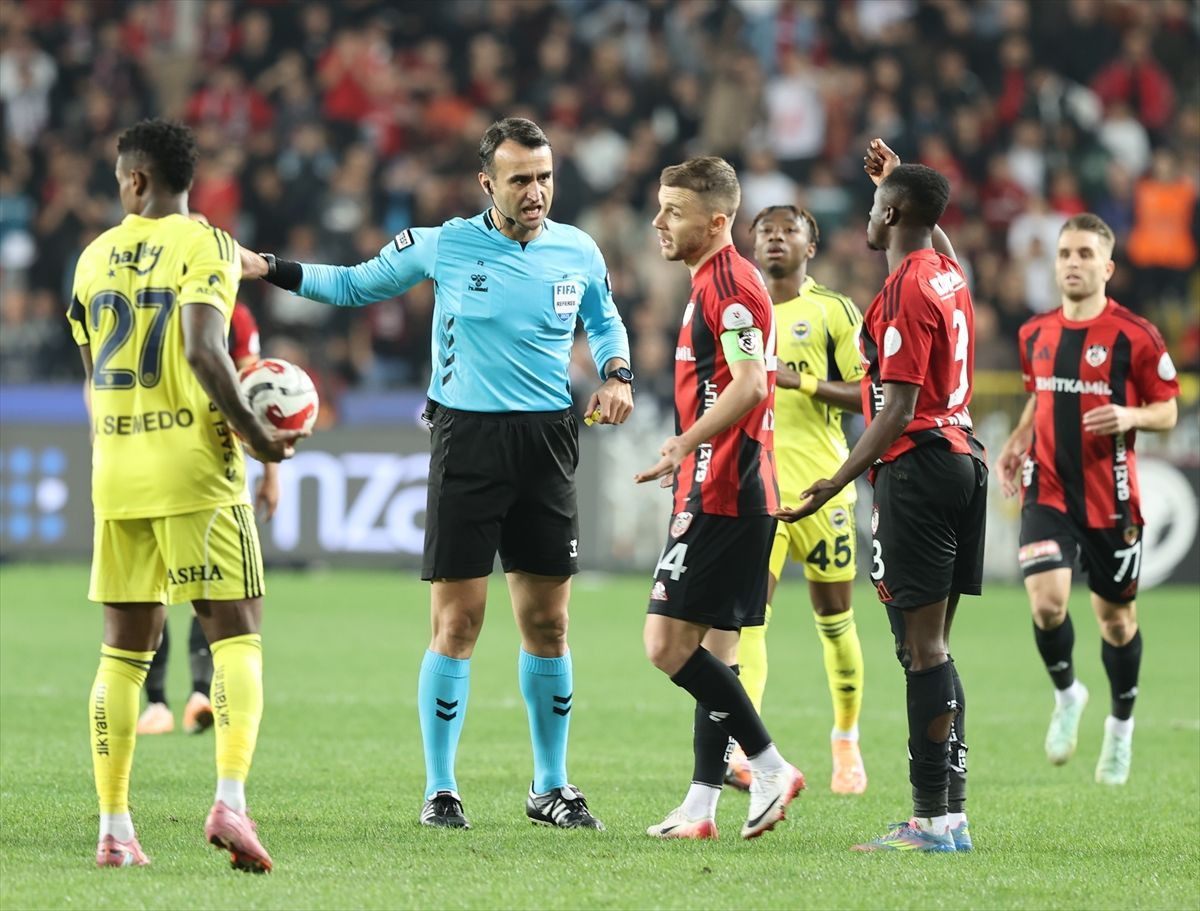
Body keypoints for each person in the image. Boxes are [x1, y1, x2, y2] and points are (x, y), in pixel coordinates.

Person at [240, 117, 633, 830]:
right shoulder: (444, 244)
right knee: (458, 621)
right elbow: (352, 285)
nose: (536, 191)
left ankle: (551, 785)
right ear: (487, 183)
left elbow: (604, 320)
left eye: (544, 177)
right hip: (469, 440)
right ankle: (441, 788)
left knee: (550, 622)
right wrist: (268, 266)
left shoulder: (578, 249)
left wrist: (616, 372)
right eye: (520, 179)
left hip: (548, 442)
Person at [67, 119, 304, 870]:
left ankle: (114, 828)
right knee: (236, 633)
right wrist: (257, 437)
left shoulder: (91, 258)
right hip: (195, 470)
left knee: (122, 653)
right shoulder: (207, 244)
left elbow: (91, 379)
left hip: (116, 471)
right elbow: (205, 348)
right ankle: (230, 800)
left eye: (118, 178)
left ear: (136, 179)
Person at [777, 139, 987, 853]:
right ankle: (950, 816)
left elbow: (894, 408)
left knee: (920, 650)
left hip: (918, 468)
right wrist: (899, 181)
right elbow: (936, 237)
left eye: (875, 206)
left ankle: (929, 822)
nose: (867, 217)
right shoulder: (945, 273)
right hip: (962, 459)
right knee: (934, 648)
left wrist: (832, 482)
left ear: (893, 214)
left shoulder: (901, 290)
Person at [636, 156, 805, 842]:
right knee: (717, 652)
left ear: (715, 221)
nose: (659, 221)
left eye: (673, 211)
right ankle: (701, 805)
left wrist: (685, 443)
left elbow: (750, 383)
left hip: (724, 489)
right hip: (726, 485)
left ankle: (768, 764)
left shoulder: (730, 286)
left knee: (664, 645)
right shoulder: (711, 280)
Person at [995, 213, 1180, 786]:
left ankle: (1120, 728)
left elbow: (1168, 410)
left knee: (1116, 623)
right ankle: (1067, 693)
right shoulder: (1035, 333)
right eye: (1065, 253)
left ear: (1108, 267)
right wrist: (1019, 439)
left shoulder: (1136, 335)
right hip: (1047, 486)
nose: (1072, 263)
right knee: (1047, 604)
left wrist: (1130, 414)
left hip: (1110, 498)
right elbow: (1039, 396)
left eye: (1084, 254)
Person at [724, 205, 869, 796]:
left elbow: (871, 393)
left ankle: (846, 738)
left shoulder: (833, 310)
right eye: (765, 231)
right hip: (759, 488)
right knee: (749, 619)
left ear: (811, 245)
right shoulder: (738, 311)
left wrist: (799, 380)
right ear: (752, 245)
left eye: (789, 231)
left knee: (834, 621)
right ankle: (744, 747)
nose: (776, 239)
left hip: (824, 485)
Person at [137, 298, 280, 737]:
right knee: (195, 587)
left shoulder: (150, 297)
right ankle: (168, 700)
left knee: (168, 586)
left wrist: (270, 470)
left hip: (148, 460)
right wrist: (270, 466)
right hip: (202, 468)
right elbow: (253, 390)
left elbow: (254, 388)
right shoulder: (225, 311)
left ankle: (188, 695)